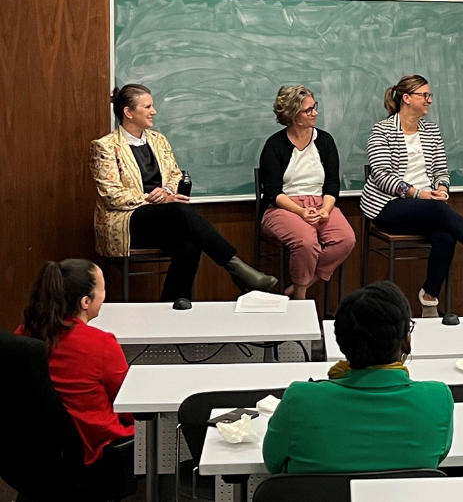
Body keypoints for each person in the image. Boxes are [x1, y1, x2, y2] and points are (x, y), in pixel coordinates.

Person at [90, 84, 277, 301]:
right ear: (128, 112)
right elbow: (111, 194)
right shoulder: (105, 146)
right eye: (148, 106)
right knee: (180, 212)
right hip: (126, 221)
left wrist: (168, 191)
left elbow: (175, 174)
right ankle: (236, 268)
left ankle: (172, 305)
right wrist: (152, 198)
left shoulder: (158, 140)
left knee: (189, 243)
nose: (154, 111)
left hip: (161, 217)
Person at [359, 75, 463, 317]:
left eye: (429, 95)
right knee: (438, 211)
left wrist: (442, 189)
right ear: (406, 98)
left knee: (446, 236)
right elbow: (381, 175)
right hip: (389, 205)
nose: (429, 101)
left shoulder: (431, 130)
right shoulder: (382, 131)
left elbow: (440, 170)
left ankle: (430, 297)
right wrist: (416, 193)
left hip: (428, 205)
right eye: (425, 95)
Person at [263, 282, 453, 473]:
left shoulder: (300, 400)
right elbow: (436, 458)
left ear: (340, 340)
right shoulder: (438, 399)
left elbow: (273, 463)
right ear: (406, 340)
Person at [15, 259, 133, 467]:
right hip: (95, 450)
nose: (105, 295)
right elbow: (128, 409)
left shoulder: (23, 335)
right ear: (85, 302)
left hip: (29, 451)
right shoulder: (102, 344)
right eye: (103, 289)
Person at [259, 86, 356, 299]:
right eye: (308, 110)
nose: (315, 113)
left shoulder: (325, 141)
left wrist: (325, 210)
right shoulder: (274, 145)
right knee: (306, 241)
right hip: (283, 206)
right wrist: (301, 212)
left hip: (320, 203)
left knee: (345, 238)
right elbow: (273, 191)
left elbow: (332, 183)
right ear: (292, 114)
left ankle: (297, 287)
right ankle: (301, 298)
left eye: (315, 107)